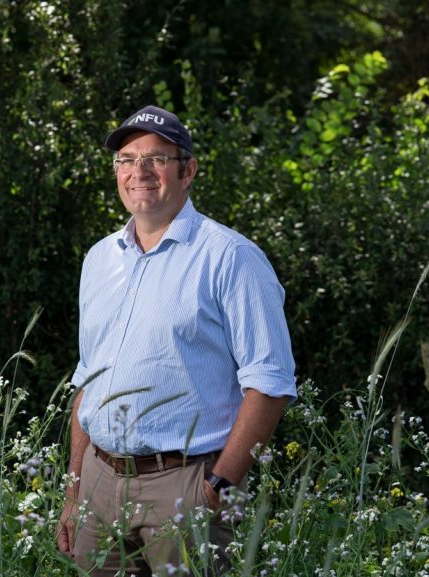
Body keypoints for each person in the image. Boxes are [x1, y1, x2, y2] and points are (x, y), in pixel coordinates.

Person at [56, 104, 297, 576]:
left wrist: (217, 490)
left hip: (185, 486)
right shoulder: (99, 259)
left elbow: (270, 384)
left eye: (156, 159)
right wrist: (73, 492)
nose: (139, 171)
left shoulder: (231, 258)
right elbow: (88, 380)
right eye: (126, 160)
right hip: (99, 487)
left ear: (187, 170)